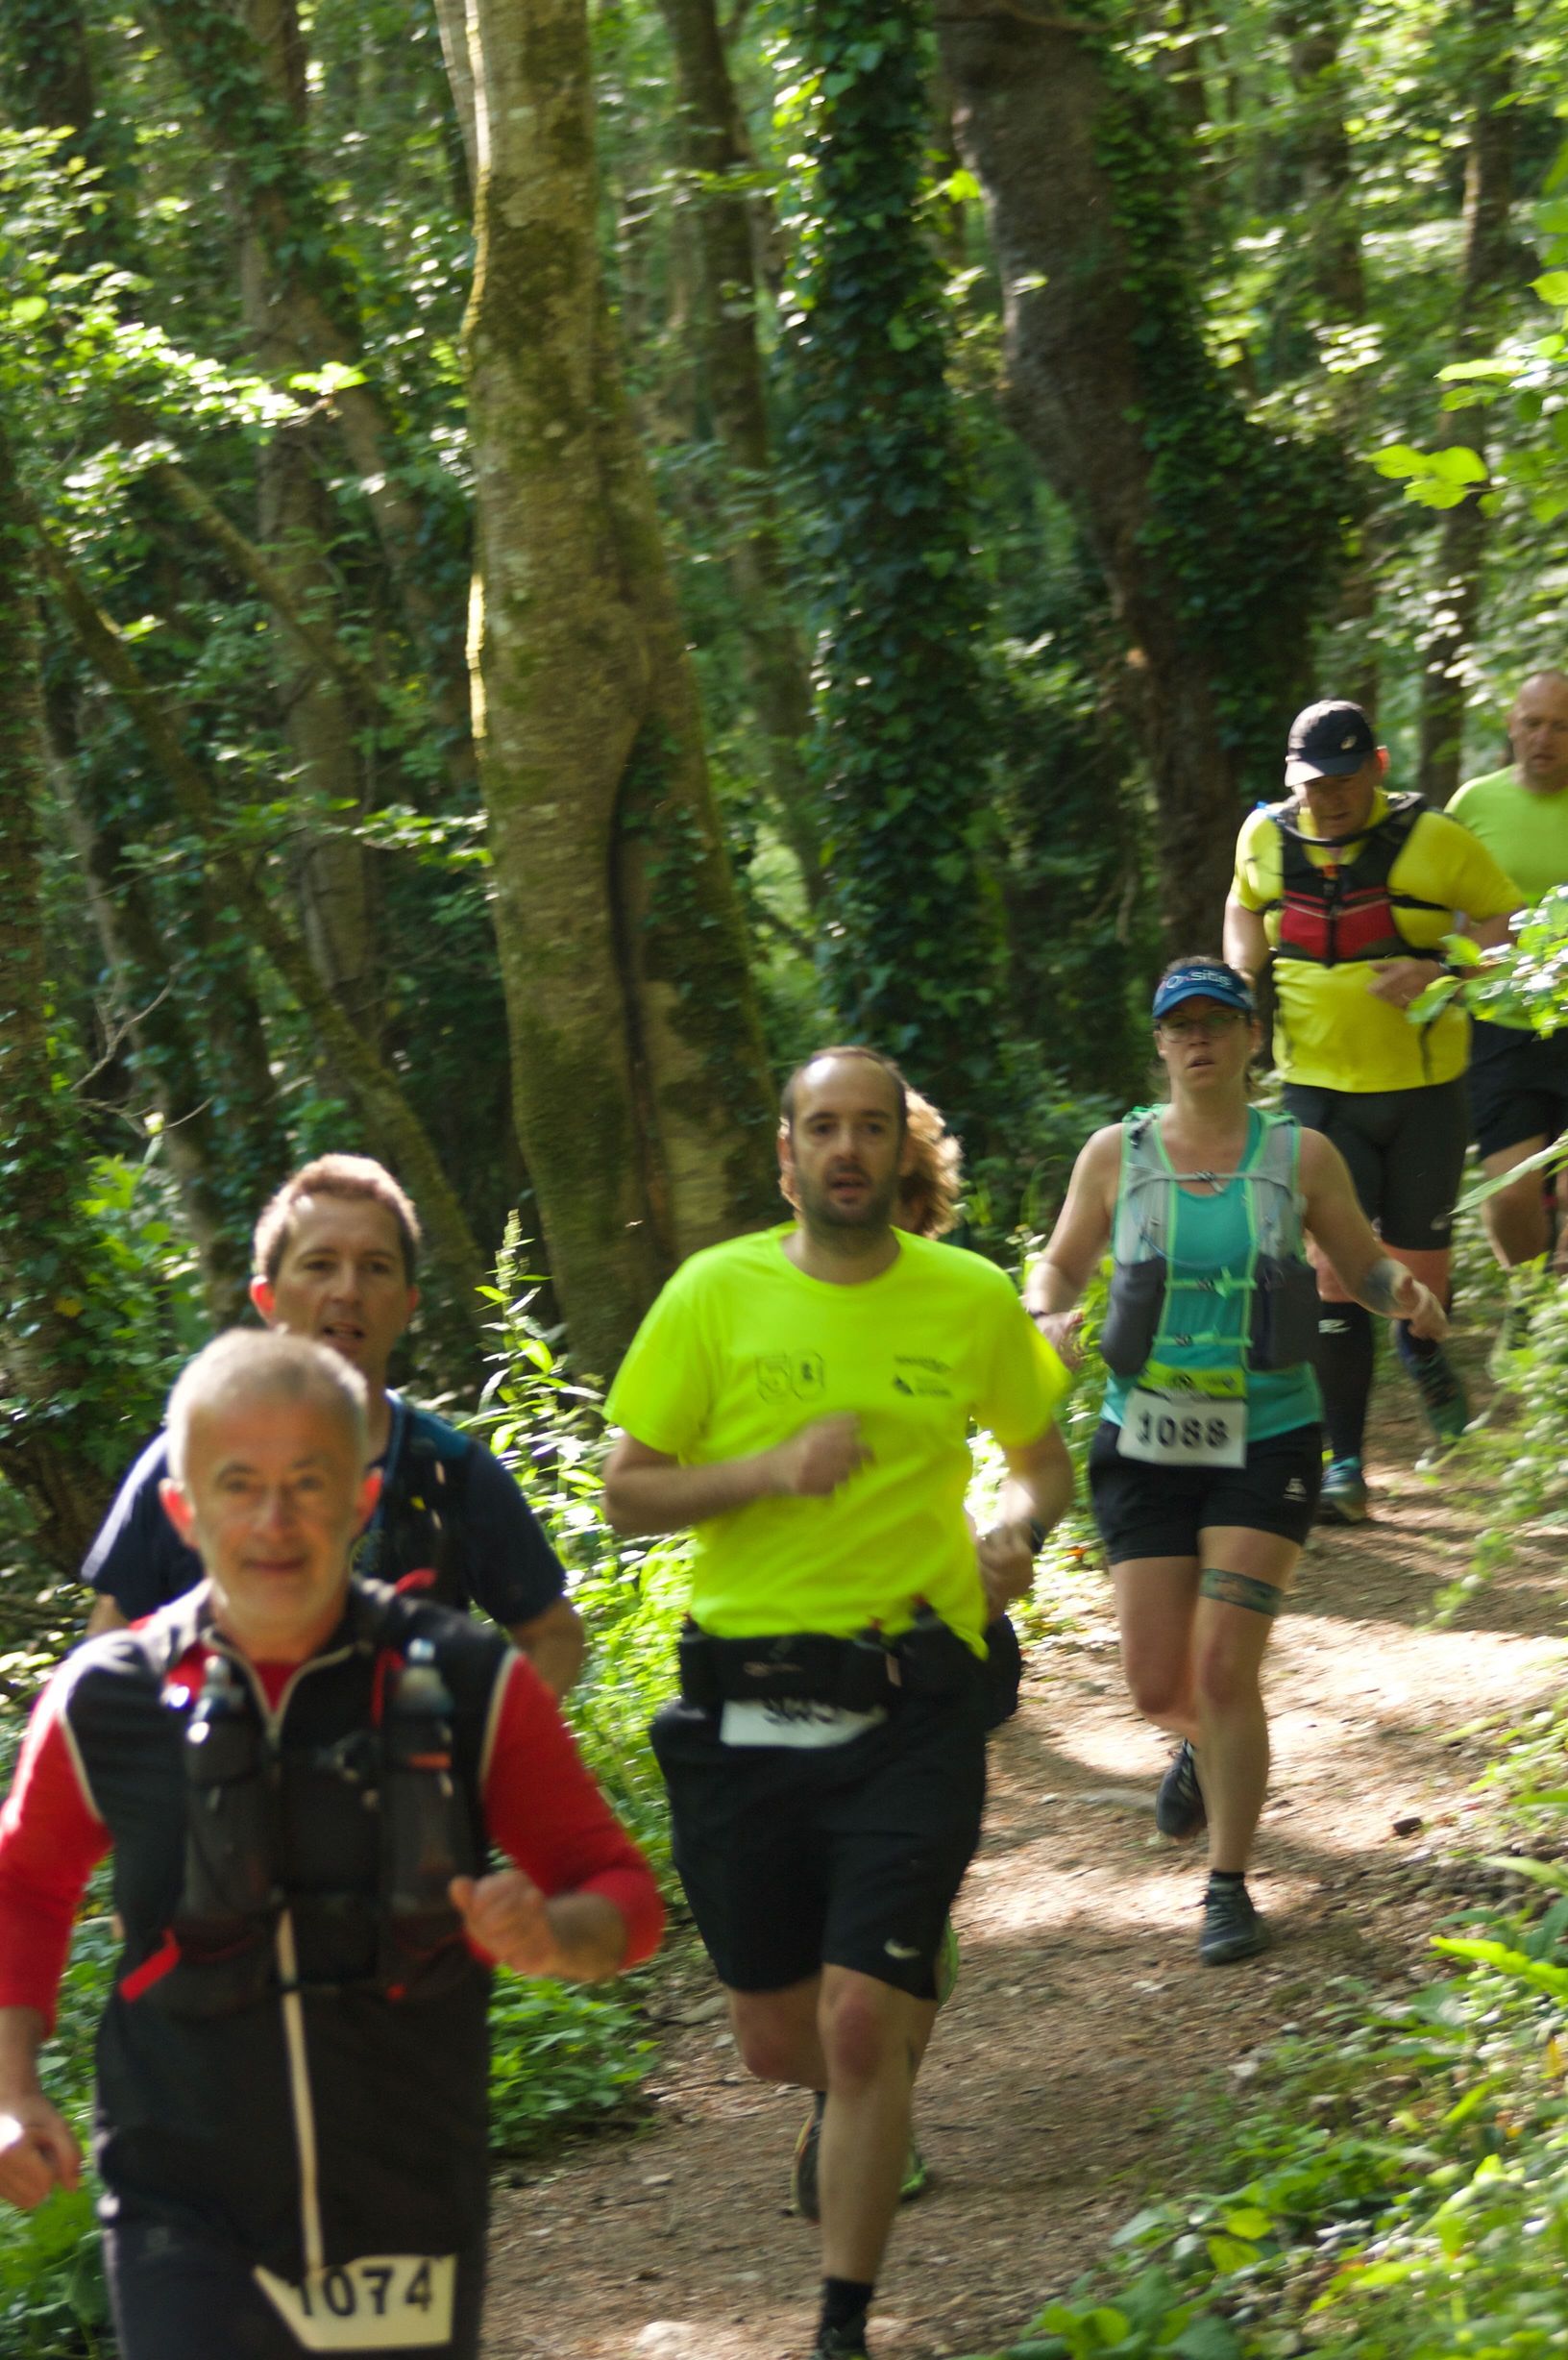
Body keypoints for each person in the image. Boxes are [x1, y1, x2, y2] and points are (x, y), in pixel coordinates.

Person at [0, 1330, 661, 2360]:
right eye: (239, 1485)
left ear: (361, 1499)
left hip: (405, 2191)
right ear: (183, 1509)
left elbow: (622, 1892)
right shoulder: (106, 1696)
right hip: (183, 2201)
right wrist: (11, 2088)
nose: (275, 1521)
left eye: (308, 1483)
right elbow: (24, 1888)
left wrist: (555, 1933)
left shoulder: (468, 1678)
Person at [600, 1045, 1072, 2360]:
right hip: (745, 1701)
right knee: (777, 2042)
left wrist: (1016, 1528)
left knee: (858, 2026)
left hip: (913, 1691)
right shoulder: (712, 1294)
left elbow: (1042, 1463)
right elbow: (627, 1491)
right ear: (787, 1156)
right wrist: (766, 1470)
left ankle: (841, 2325)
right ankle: (874, 2035)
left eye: (871, 1128)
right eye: (824, 1128)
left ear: (898, 1153)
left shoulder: (968, 1297)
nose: (848, 1149)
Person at [1026, 958, 1448, 1964]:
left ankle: (1228, 1885)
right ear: (1161, 1044)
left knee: (1223, 1667)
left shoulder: (1300, 1154)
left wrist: (1403, 1293)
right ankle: (1197, 1743)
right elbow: (1061, 1262)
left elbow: (1360, 1260)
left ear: (1253, 1036)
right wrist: (1046, 1313)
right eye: (1182, 1025)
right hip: (1144, 1437)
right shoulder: (1116, 1154)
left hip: (1269, 1435)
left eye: (1218, 1021)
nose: (1200, 1039)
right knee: (1155, 1684)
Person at [85, 1154, 584, 1697]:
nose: (348, 1291)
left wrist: (484, 1739)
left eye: (376, 1267)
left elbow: (554, 1636)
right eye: (320, 1265)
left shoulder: (449, 1471)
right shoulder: (186, 1462)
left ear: (407, 1305)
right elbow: (107, 1651)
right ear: (267, 1299)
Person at [1224, 699, 1518, 1524]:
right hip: (1317, 1090)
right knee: (1336, 1275)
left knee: (1418, 1286)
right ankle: (1345, 1467)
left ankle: (1424, 1360)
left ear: (1376, 768)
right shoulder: (1265, 836)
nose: (1328, 799)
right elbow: (1242, 903)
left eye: (1343, 781)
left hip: (1424, 1092)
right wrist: (1242, 969)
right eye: (1312, 785)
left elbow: (1505, 923)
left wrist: (1445, 971)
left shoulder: (1435, 839)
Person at [1447, 672, 1568, 1305]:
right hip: (1500, 1027)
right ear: (1512, 726)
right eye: (1533, 723)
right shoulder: (1474, 803)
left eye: (1560, 726)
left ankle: (1558, 1333)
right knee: (1512, 1195)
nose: (1544, 738)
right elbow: (1439, 907)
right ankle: (1531, 1305)